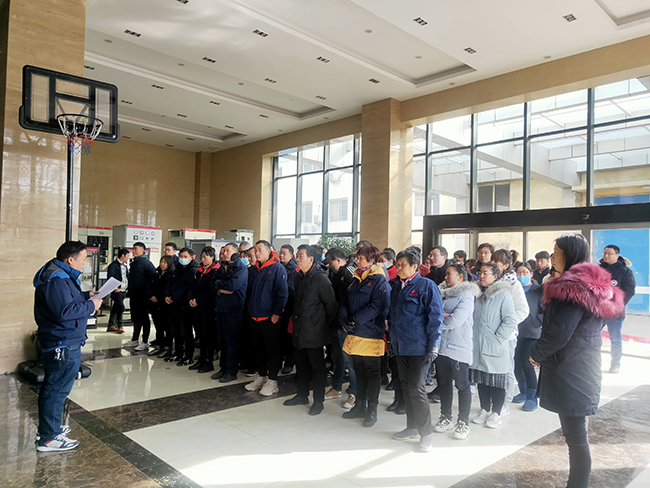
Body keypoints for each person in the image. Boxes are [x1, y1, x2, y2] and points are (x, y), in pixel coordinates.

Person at [530, 234, 623, 488]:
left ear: (569, 255)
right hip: (582, 364)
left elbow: (558, 334)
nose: (552, 257)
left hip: (571, 368)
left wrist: (535, 355)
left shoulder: (570, 289)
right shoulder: (591, 285)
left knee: (576, 437)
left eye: (556, 252)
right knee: (576, 435)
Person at [34, 241, 103, 451]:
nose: (85, 263)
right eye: (83, 259)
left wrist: (86, 296)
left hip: (64, 339)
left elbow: (66, 301)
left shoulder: (61, 275)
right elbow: (64, 312)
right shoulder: (57, 279)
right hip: (61, 342)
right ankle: (49, 438)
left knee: (57, 388)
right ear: (70, 260)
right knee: (56, 389)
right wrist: (91, 306)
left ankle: (50, 429)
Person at [389, 250, 443, 452]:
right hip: (400, 345)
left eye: (402, 264)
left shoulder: (427, 286)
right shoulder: (396, 286)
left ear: (414, 266)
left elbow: (436, 317)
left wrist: (434, 344)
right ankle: (411, 426)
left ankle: (426, 433)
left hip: (420, 346)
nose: (399, 268)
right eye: (397, 264)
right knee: (405, 386)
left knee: (416, 388)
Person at [340, 245, 390, 428]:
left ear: (371, 261)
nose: (357, 260)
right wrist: (344, 318)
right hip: (355, 333)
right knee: (358, 370)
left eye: (361, 258)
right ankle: (360, 406)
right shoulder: (356, 278)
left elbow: (377, 306)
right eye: (357, 257)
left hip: (370, 333)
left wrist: (354, 320)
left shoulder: (378, 279)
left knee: (372, 373)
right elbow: (345, 300)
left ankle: (372, 410)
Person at [283, 245, 337, 415]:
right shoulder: (299, 276)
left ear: (311, 259)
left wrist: (319, 324)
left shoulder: (320, 279)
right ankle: (302, 395)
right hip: (299, 328)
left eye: (301, 256)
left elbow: (331, 306)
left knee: (317, 367)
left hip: (314, 331)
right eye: (297, 255)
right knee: (301, 364)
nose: (297, 259)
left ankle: (318, 401)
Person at [434, 263, 479, 441]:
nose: (445, 277)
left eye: (449, 274)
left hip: (459, 346)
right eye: (445, 274)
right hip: (441, 346)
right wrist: (444, 315)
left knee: (462, 385)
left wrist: (440, 317)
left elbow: (455, 320)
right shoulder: (442, 293)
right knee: (444, 383)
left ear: (460, 277)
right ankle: (445, 417)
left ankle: (463, 422)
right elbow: (433, 313)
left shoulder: (467, 295)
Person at [470, 262, 518, 429]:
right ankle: (484, 409)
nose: (481, 276)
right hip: (478, 345)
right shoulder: (478, 294)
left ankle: (496, 413)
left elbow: (510, 321)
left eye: (485, 273)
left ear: (495, 277)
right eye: (480, 273)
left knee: (497, 381)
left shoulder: (503, 294)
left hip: (495, 345)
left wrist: (496, 339)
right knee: (482, 379)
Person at [245, 240, 289, 396]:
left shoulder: (277, 268)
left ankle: (272, 380)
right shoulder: (256, 269)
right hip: (255, 316)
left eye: (259, 250)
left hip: (269, 317)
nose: (256, 253)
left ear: (269, 251)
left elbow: (282, 294)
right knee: (258, 348)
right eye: (255, 250)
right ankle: (261, 376)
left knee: (272, 349)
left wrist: (277, 314)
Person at [491, 249, 530, 412]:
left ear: (506, 265)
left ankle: (505, 403)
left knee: (506, 369)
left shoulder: (514, 284)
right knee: (492, 370)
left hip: (506, 335)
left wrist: (507, 325)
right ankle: (493, 402)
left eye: (496, 262)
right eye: (492, 260)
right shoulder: (491, 281)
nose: (492, 264)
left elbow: (523, 310)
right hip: (490, 334)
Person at [324, 248, 357, 409]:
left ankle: (354, 392)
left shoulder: (350, 273)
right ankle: (336, 387)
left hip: (346, 325)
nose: (328, 265)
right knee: (337, 358)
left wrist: (348, 322)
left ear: (338, 260)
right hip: (335, 322)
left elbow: (352, 301)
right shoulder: (334, 274)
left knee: (349, 360)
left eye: (329, 261)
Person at [211, 243, 248, 383]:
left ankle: (231, 371)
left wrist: (220, 285)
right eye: (223, 251)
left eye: (227, 251)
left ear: (235, 253)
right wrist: (221, 288)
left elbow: (233, 286)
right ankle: (223, 368)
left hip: (233, 310)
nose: (224, 253)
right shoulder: (223, 267)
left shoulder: (240, 268)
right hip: (221, 308)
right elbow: (212, 284)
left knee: (232, 341)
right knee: (222, 341)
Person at [599, 244, 636, 374]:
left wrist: (617, 304)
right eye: (605, 253)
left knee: (615, 339)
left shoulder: (625, 272)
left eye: (609, 253)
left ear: (617, 255)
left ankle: (615, 364)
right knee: (592, 336)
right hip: (599, 311)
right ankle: (593, 362)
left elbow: (630, 290)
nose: (606, 256)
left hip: (615, 313)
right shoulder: (598, 269)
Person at [512, 262, 544, 411]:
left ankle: (532, 396)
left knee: (527, 363)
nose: (521, 275)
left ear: (531, 274)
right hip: (515, 332)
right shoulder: (513, 289)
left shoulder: (538, 291)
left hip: (532, 333)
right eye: (519, 272)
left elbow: (545, 311)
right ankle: (523, 391)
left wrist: (537, 321)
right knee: (516, 364)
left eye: (525, 272)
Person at [165, 247, 198, 365]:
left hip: (185, 305)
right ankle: (178, 353)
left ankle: (188, 355)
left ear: (192, 257)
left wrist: (174, 297)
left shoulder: (193, 270)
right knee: (175, 330)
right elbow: (170, 282)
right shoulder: (177, 268)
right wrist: (167, 295)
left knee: (186, 331)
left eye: (185, 257)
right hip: (174, 304)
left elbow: (187, 287)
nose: (182, 259)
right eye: (181, 256)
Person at [188, 247, 220, 373]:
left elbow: (211, 291)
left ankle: (208, 361)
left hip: (208, 307)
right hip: (197, 307)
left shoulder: (214, 272)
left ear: (212, 257)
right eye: (202, 257)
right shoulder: (199, 271)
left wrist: (198, 300)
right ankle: (201, 359)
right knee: (200, 334)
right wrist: (191, 298)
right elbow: (192, 286)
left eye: (205, 257)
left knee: (208, 335)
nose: (203, 259)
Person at [125, 242, 156, 351]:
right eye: (133, 249)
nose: (133, 251)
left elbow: (153, 279)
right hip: (134, 296)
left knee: (144, 318)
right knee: (135, 318)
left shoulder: (146, 264)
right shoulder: (134, 263)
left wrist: (150, 293)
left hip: (143, 296)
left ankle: (145, 341)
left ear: (143, 251)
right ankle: (135, 339)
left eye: (136, 249)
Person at [150, 255, 174, 358]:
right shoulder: (156, 274)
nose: (162, 264)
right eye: (161, 262)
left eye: (165, 262)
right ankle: (158, 345)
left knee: (167, 327)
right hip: (155, 304)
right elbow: (150, 286)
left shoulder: (171, 275)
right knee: (158, 327)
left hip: (165, 305)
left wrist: (161, 297)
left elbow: (167, 289)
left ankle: (167, 348)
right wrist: (151, 296)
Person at [279, 244, 298, 375]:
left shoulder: (294, 270)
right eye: (280, 253)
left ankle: (289, 363)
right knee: (280, 337)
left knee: (289, 337)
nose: (281, 255)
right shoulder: (278, 267)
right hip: (279, 308)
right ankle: (279, 360)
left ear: (291, 255)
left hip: (289, 309)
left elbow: (291, 290)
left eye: (284, 253)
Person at [240, 246, 259, 376]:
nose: (249, 258)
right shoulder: (248, 270)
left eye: (251, 255)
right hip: (246, 307)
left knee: (255, 339)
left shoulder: (262, 271)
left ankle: (255, 365)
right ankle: (246, 362)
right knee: (246, 336)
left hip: (257, 310)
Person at [106, 248, 130, 334]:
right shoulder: (113, 265)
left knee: (116, 307)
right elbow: (110, 277)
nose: (128, 258)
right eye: (127, 256)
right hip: (117, 291)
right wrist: (114, 287)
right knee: (120, 307)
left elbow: (126, 277)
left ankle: (111, 325)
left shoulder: (125, 266)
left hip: (124, 290)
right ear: (122, 256)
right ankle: (120, 325)